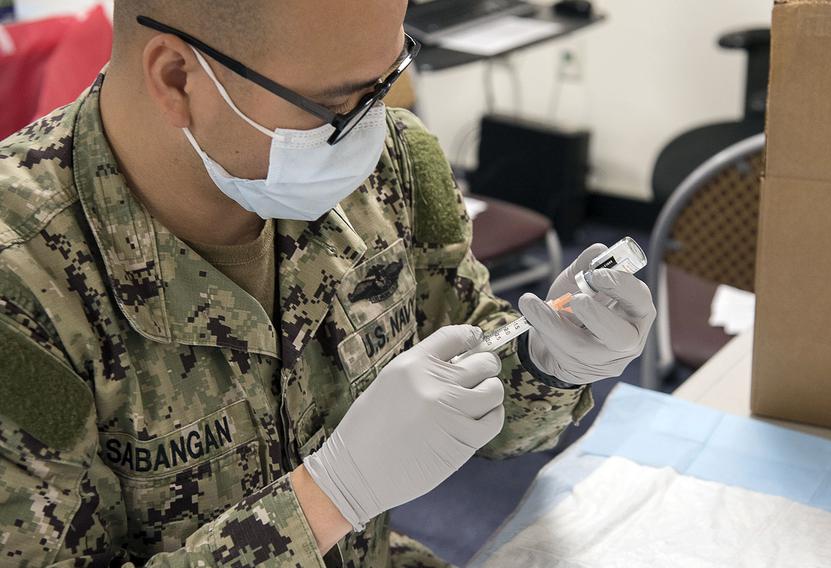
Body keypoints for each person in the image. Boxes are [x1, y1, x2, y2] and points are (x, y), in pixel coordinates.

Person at [0, 1, 655, 566]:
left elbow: (481, 400)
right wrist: (330, 495)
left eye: (388, 79)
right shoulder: (21, 292)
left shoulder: (394, 168)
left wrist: (548, 361)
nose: (377, 126)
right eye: (341, 102)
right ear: (178, 78)